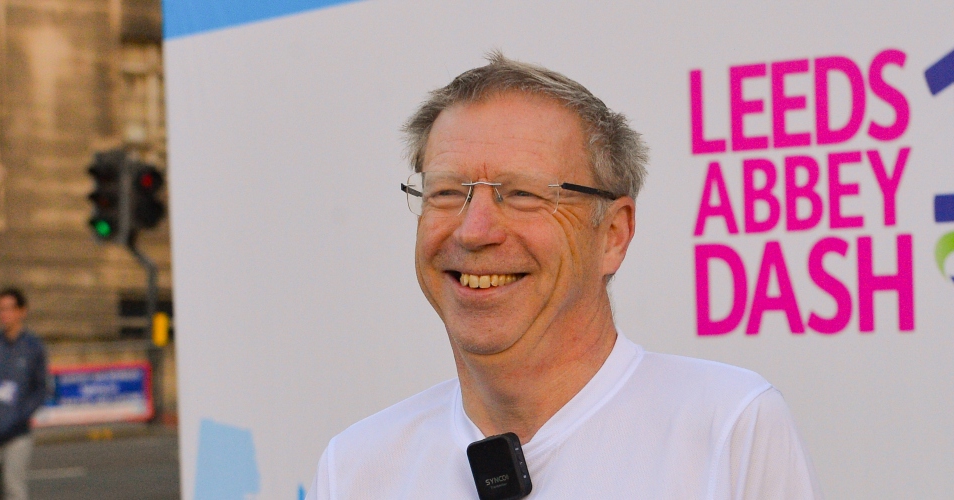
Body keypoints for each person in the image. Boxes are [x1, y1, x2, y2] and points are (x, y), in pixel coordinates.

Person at [311, 54, 820, 499]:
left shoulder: (728, 427)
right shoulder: (356, 469)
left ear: (613, 235)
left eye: (523, 193)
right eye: (446, 191)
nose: (474, 230)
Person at [0, 288, 51, 500]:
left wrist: (20, 416)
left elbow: (42, 388)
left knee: (14, 488)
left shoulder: (33, 347)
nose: (3, 314)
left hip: (16, 433)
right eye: (0, 309)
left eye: (8, 309)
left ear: (22, 311)